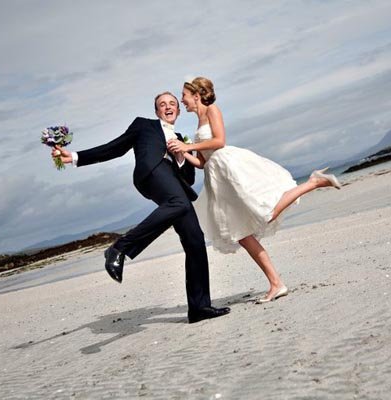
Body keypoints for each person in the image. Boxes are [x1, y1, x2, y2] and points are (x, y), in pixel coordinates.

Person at [52, 91, 230, 324]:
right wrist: (74, 157)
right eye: (162, 104)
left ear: (177, 111)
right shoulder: (143, 126)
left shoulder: (182, 139)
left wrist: (181, 153)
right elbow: (113, 147)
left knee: (195, 239)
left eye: (173, 104)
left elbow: (189, 177)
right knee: (177, 203)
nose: (168, 107)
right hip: (152, 174)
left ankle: (199, 307)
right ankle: (119, 248)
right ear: (157, 111)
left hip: (176, 187)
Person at [167, 77, 341, 303]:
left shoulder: (211, 109)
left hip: (229, 168)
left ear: (196, 95)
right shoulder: (198, 121)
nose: (182, 100)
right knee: (241, 233)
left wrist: (188, 145)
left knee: (262, 214)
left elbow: (219, 141)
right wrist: (183, 153)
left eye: (184, 95)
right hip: (215, 177)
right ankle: (276, 283)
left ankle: (312, 183)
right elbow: (202, 162)